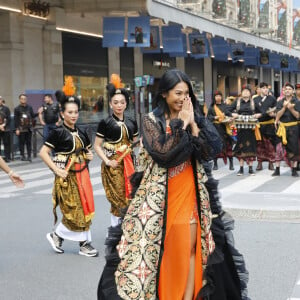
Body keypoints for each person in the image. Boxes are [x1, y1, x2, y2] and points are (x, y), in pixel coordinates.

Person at [98, 69, 249, 300]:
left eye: (186, 93)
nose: (182, 98)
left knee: (191, 249)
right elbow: (164, 154)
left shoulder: (194, 116)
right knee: (160, 253)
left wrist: (194, 125)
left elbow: (213, 149)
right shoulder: (151, 120)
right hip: (157, 198)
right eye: (178, 93)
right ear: (165, 94)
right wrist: (181, 124)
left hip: (191, 191)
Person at [39, 79, 98, 257]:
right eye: (70, 112)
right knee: (74, 210)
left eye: (76, 112)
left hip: (83, 176)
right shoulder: (57, 133)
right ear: (62, 114)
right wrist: (56, 170)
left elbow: (88, 152)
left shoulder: (81, 132)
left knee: (85, 208)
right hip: (66, 178)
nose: (73, 115)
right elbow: (43, 152)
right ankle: (83, 244)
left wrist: (89, 156)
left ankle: (58, 236)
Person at [94, 74, 139, 227]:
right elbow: (97, 145)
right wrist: (107, 161)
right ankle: (115, 231)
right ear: (111, 104)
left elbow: (136, 143)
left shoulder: (132, 121)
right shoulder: (105, 123)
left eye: (122, 102)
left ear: (126, 104)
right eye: (115, 102)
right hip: (113, 165)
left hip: (129, 165)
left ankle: (126, 228)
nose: (119, 105)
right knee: (118, 198)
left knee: (130, 196)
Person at [227, 85, 261, 176]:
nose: (245, 92)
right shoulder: (237, 102)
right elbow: (227, 110)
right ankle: (241, 168)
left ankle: (250, 168)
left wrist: (258, 115)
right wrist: (233, 114)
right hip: (240, 128)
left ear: (250, 93)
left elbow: (262, 112)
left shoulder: (254, 102)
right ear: (241, 93)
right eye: (244, 91)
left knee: (251, 147)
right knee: (240, 147)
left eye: (247, 91)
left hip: (251, 129)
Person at [273, 82, 300, 176]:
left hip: (293, 127)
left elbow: (297, 116)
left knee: (294, 148)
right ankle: (277, 169)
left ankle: (294, 169)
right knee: (278, 148)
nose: (287, 90)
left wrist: (291, 109)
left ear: (293, 91)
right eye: (286, 89)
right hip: (282, 127)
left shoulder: (297, 102)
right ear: (283, 91)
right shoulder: (280, 102)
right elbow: (277, 115)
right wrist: (284, 107)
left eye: (289, 89)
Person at [207, 91, 235, 170]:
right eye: (216, 96)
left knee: (228, 146)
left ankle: (231, 163)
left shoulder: (225, 106)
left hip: (225, 128)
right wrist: (214, 118)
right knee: (216, 146)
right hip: (216, 129)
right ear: (214, 97)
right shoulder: (212, 107)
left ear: (222, 97)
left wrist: (230, 119)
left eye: (219, 96)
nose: (218, 97)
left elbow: (229, 114)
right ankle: (215, 164)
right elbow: (208, 118)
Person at [254, 82, 277, 171]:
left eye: (266, 88)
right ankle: (259, 162)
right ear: (259, 89)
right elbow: (253, 111)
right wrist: (255, 115)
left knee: (270, 144)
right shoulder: (255, 99)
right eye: (263, 88)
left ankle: (271, 162)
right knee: (259, 145)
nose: (265, 89)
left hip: (269, 124)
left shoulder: (272, 99)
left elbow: (276, 109)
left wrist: (273, 114)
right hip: (259, 125)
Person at [14, 94, 37, 162]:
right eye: (22, 98)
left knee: (29, 142)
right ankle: (22, 155)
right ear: (20, 99)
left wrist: (38, 113)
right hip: (21, 128)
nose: (23, 100)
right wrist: (17, 129)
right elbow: (16, 119)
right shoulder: (17, 108)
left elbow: (33, 115)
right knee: (22, 143)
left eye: (25, 99)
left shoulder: (29, 107)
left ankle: (29, 156)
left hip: (29, 128)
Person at [0, 96, 11, 162]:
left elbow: (9, 118)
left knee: (6, 143)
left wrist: (3, 125)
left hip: (5, 128)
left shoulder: (6, 108)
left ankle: (7, 157)